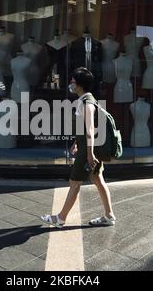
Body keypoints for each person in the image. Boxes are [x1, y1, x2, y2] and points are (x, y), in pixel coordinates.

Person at [40, 67, 116, 228]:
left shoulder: (87, 102)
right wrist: (76, 142)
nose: (70, 84)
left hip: (87, 151)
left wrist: (88, 154)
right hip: (87, 148)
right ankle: (109, 216)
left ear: (80, 85)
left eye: (73, 82)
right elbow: (83, 129)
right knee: (97, 179)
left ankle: (60, 218)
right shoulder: (85, 99)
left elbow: (89, 129)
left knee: (74, 182)